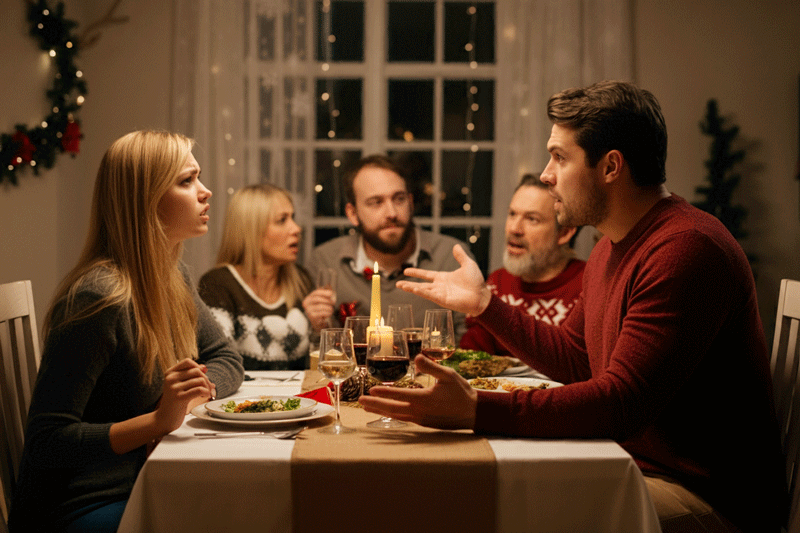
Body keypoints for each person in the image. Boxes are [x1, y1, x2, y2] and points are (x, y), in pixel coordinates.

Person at [360, 81, 786, 533]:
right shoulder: (610, 247)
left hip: (709, 499)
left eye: (560, 157)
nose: (546, 174)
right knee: (465, 499)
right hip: (632, 467)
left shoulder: (685, 250)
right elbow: (577, 360)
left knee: (495, 514)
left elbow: (622, 403)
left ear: (611, 166)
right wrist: (486, 304)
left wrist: (475, 409)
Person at [9, 130, 244, 533]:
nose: (205, 192)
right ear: (145, 199)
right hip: (83, 505)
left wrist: (186, 401)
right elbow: (47, 443)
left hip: (145, 481)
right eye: (186, 181)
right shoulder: (98, 298)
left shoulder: (174, 277)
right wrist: (156, 422)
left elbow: (227, 357)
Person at [309, 154, 473, 336]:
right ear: (353, 213)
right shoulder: (326, 261)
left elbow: (468, 343)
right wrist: (318, 326)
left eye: (399, 199)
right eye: (376, 202)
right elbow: (323, 351)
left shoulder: (450, 257)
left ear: (410, 203)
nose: (391, 213)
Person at [198, 184, 332, 370]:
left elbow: (320, 367)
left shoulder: (301, 280)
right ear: (251, 230)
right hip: (243, 398)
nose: (296, 229)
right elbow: (217, 363)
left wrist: (320, 328)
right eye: (281, 220)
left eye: (292, 218)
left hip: (299, 397)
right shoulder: (218, 284)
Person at [459, 172, 585, 355]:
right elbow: (471, 357)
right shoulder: (499, 282)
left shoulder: (587, 284)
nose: (514, 229)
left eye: (532, 219)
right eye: (512, 214)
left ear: (564, 233)